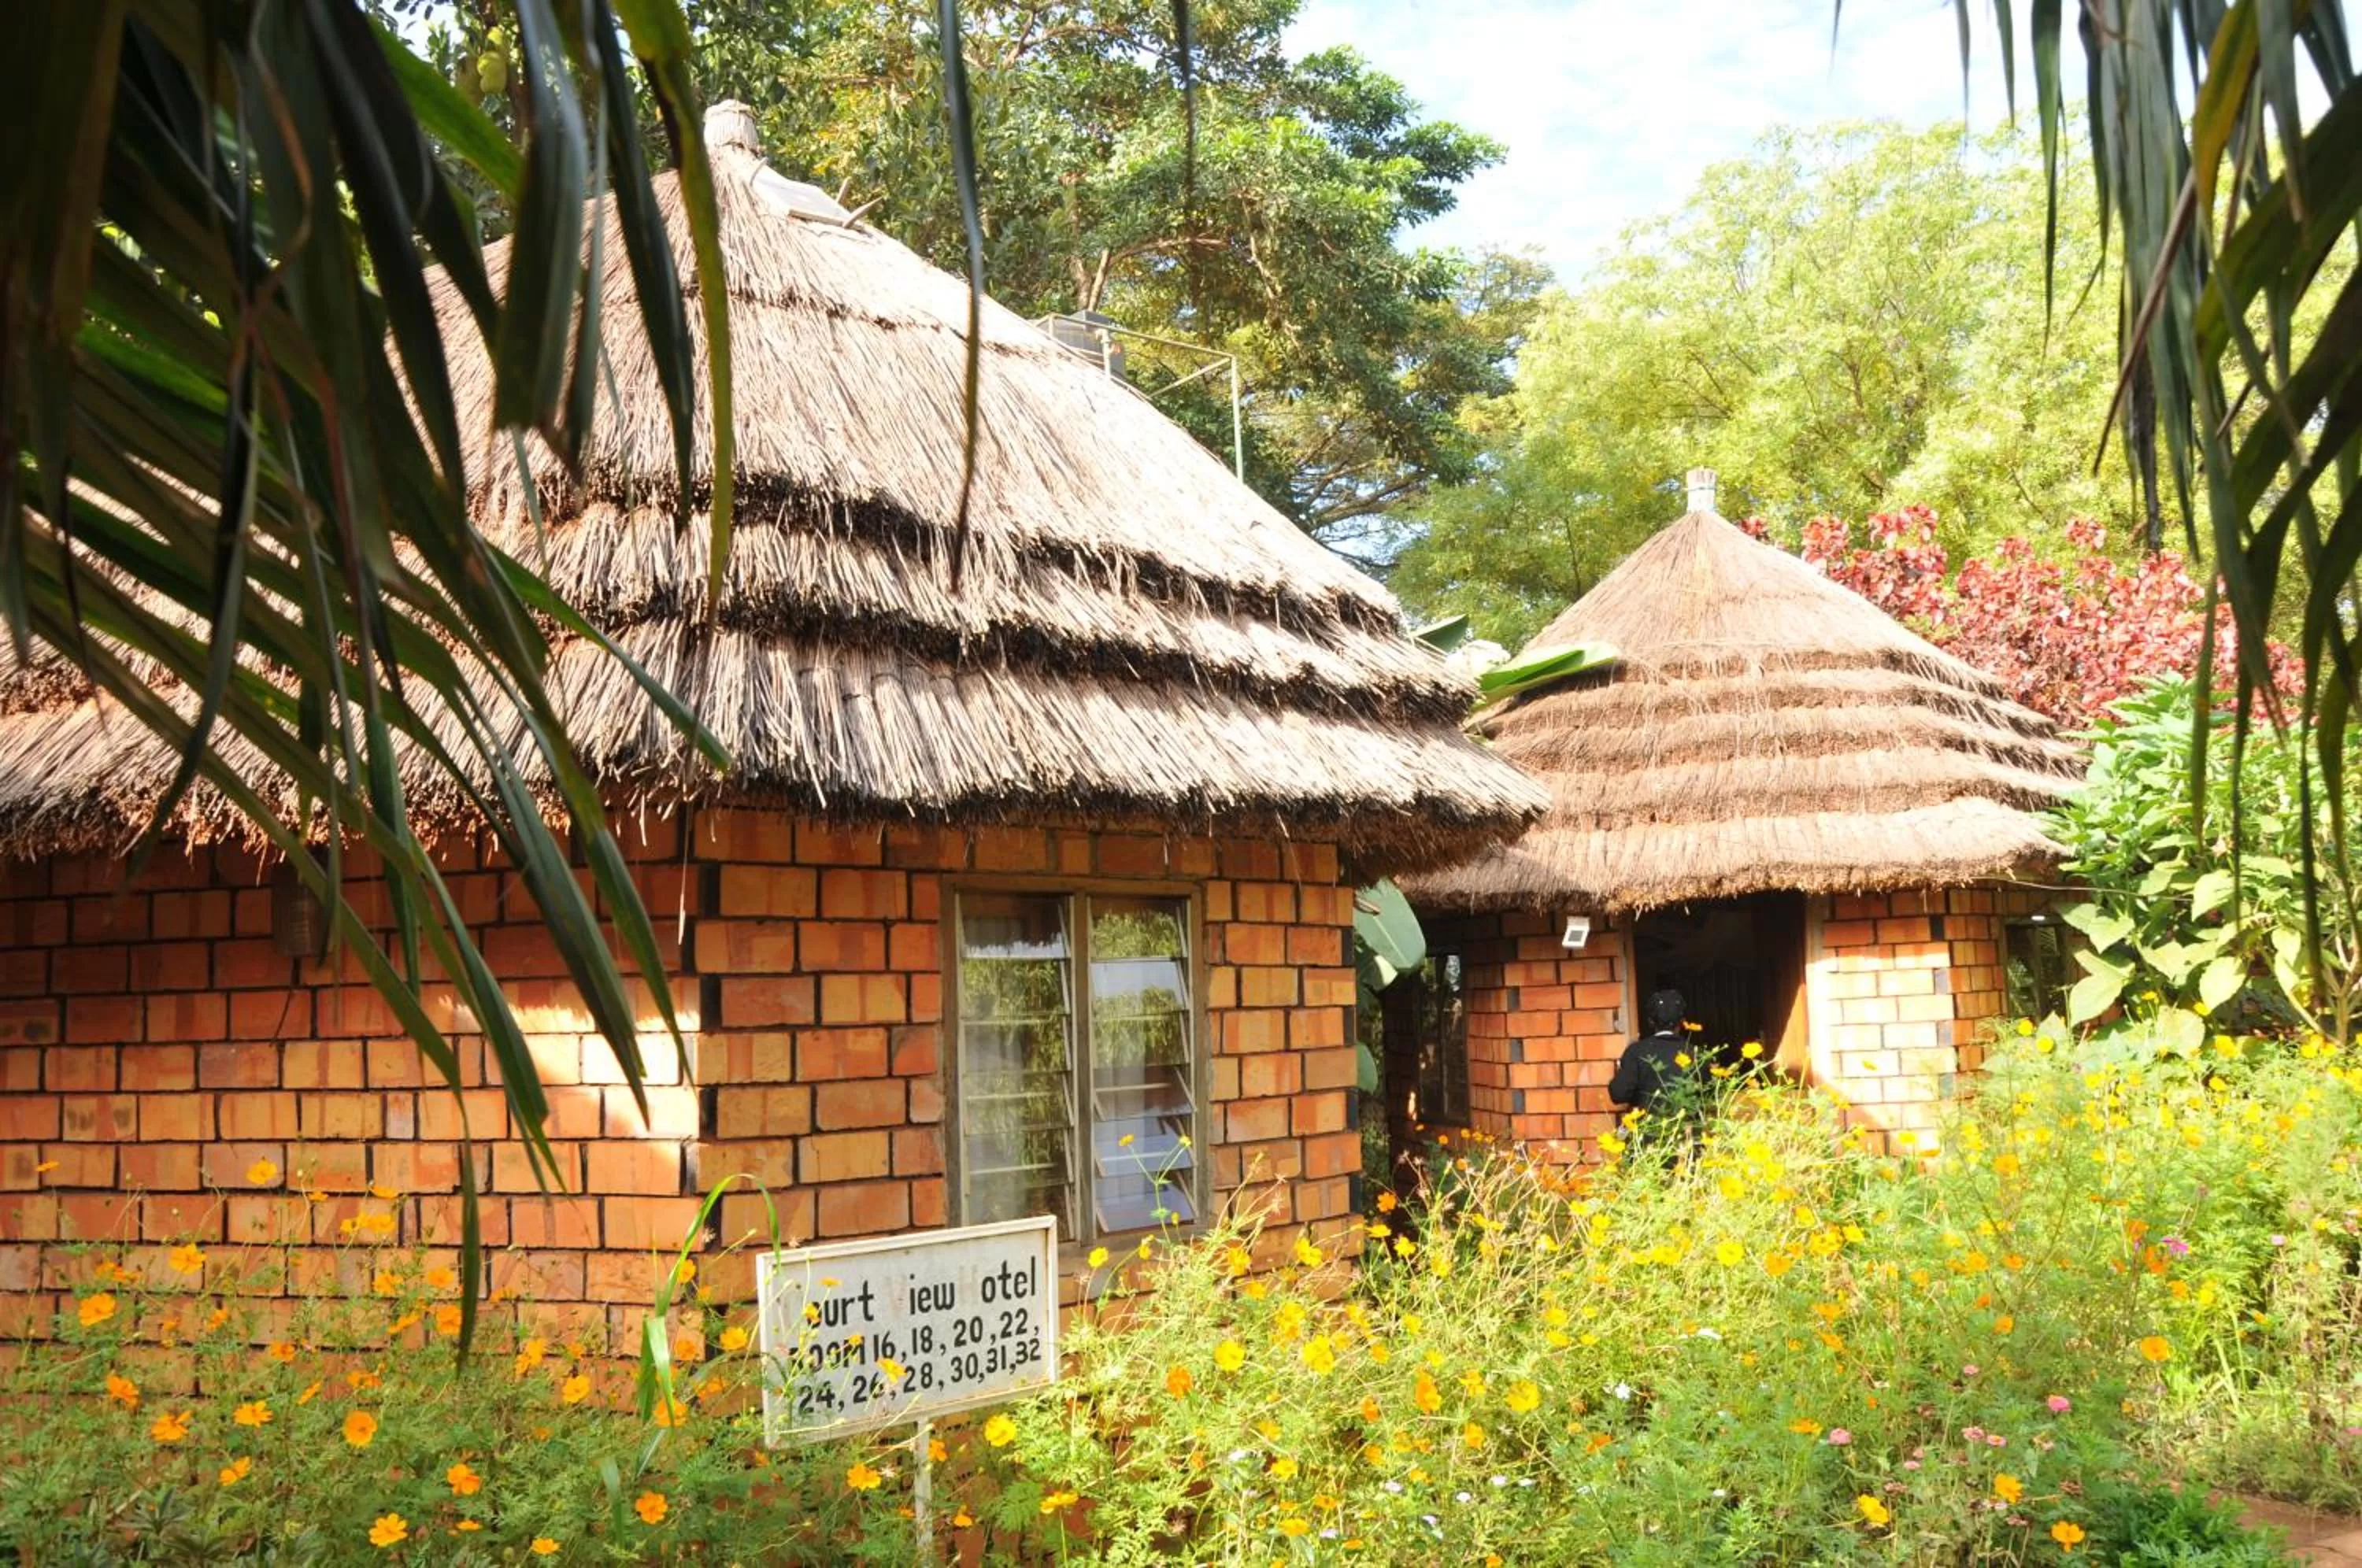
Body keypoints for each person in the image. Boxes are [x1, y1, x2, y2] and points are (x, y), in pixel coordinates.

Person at [1608, 987, 1695, 1115]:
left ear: (1650, 1022)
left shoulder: (1636, 1051)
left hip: (1649, 1131)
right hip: (1687, 1132)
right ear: (1682, 1022)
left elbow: (1618, 1094)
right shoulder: (1695, 1053)